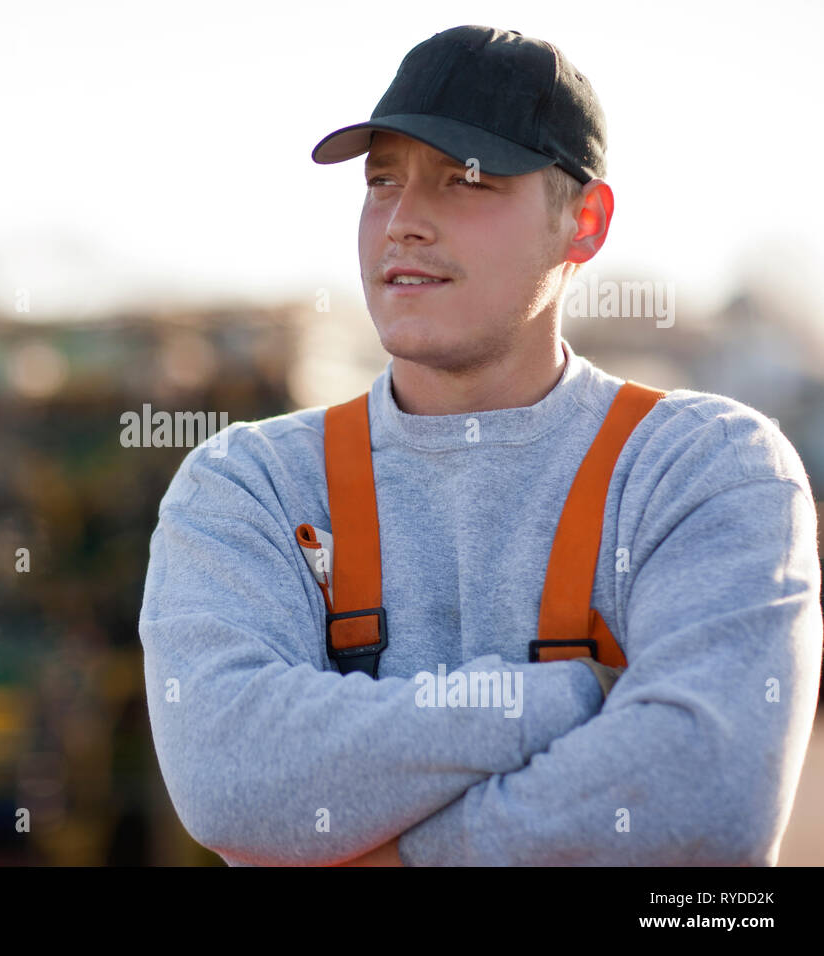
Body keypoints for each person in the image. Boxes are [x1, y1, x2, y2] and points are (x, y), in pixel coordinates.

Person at [137, 24, 823, 866]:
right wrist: (569, 698)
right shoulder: (247, 487)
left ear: (584, 222)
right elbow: (232, 777)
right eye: (382, 180)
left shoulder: (707, 469)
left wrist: (393, 854)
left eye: (465, 180)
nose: (403, 223)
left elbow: (705, 799)